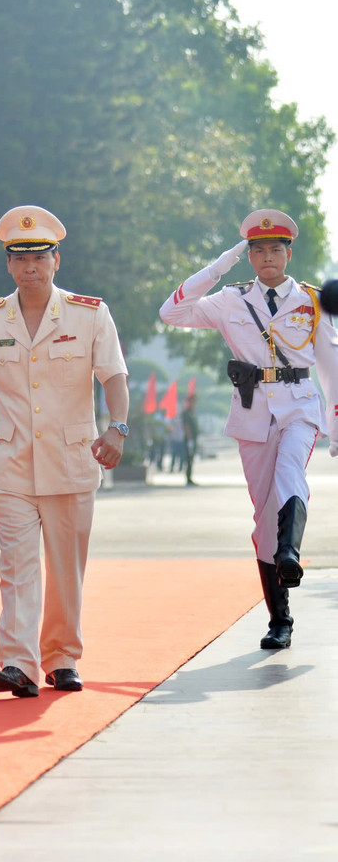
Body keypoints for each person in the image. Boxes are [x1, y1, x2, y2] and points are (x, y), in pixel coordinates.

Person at [0, 205, 129, 698]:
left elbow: (114, 375)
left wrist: (117, 427)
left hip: (72, 460)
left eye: (39, 257)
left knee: (64, 569)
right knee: (16, 567)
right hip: (10, 464)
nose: (30, 267)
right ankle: (18, 662)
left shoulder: (89, 314)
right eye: (19, 258)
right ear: (8, 264)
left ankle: (61, 656)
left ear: (57, 260)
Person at [159, 210, 338, 650]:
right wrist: (219, 266)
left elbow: (332, 368)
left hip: (299, 406)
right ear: (249, 257)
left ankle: (290, 553)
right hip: (253, 412)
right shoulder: (230, 299)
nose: (267, 257)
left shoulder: (312, 301)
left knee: (291, 471)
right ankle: (281, 618)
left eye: (275, 249)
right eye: (257, 251)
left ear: (288, 253)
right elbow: (172, 312)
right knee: (262, 517)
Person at [180, 392, 198, 486]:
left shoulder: (192, 412)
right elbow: (186, 427)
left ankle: (190, 477)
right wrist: (190, 440)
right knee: (188, 459)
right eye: (193, 401)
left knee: (191, 459)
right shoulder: (186, 413)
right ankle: (188, 478)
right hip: (188, 440)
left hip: (193, 439)